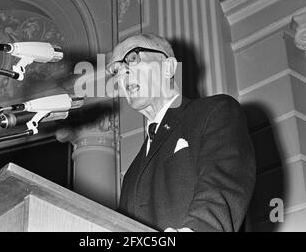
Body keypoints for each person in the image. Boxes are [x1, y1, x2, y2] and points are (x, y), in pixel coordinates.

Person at [106, 33, 256, 232]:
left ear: (168, 68)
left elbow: (222, 185)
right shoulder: (132, 173)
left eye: (132, 59)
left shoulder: (215, 111)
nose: (122, 74)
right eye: (116, 70)